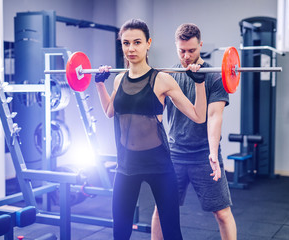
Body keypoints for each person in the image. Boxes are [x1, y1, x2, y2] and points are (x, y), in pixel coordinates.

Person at [94, 19, 207, 240]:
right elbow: (109, 110)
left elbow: (198, 115)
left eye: (137, 42)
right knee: (120, 232)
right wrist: (99, 84)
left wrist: (199, 84)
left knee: (172, 232)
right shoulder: (119, 79)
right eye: (126, 43)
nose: (131, 48)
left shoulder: (162, 79)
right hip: (126, 165)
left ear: (148, 44)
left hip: (159, 166)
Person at [151, 23, 237, 240]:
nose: (187, 56)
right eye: (182, 51)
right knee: (161, 210)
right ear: (176, 47)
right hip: (175, 155)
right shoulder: (170, 76)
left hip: (204, 156)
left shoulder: (214, 76)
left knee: (222, 213)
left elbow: (215, 117)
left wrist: (212, 151)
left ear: (201, 45)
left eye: (192, 50)